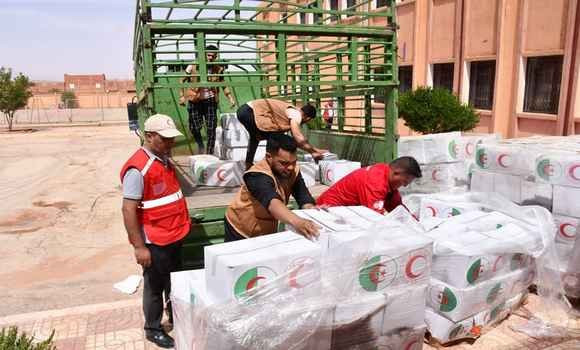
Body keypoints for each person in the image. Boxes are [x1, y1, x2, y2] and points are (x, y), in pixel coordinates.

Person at [120, 114, 191, 349]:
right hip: (155, 239)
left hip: (174, 234)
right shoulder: (138, 169)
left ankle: (175, 315)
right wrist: (139, 247)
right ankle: (153, 328)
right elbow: (128, 210)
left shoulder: (163, 158)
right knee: (155, 286)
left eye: (171, 138)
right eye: (165, 138)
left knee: (174, 280)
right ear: (150, 137)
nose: (170, 143)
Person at [224, 133, 321, 241]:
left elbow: (302, 195)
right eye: (284, 163)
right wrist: (297, 222)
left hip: (266, 228)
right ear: (269, 157)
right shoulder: (256, 175)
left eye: (293, 162)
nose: (290, 167)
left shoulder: (292, 170)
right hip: (240, 227)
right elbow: (272, 202)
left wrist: (311, 210)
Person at [236, 98, 329, 170]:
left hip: (244, 110)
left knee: (257, 137)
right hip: (250, 112)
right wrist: (313, 152)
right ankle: (269, 167)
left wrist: (315, 150)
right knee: (276, 138)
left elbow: (296, 140)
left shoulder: (290, 113)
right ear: (308, 118)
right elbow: (297, 137)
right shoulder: (296, 114)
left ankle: (249, 164)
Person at [180, 44, 236, 155]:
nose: (210, 58)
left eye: (213, 56)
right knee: (195, 127)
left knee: (211, 128)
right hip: (194, 100)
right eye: (208, 55)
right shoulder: (193, 65)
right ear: (204, 54)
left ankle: (209, 153)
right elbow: (182, 80)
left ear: (216, 56)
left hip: (210, 101)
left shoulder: (218, 69)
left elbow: (223, 84)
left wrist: (230, 98)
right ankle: (200, 145)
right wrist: (182, 96)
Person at [316, 156, 422, 214]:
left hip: (347, 211)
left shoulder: (386, 174)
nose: (404, 186)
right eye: (405, 182)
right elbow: (375, 215)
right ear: (397, 173)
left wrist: (412, 221)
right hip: (328, 210)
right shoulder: (376, 182)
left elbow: (397, 208)